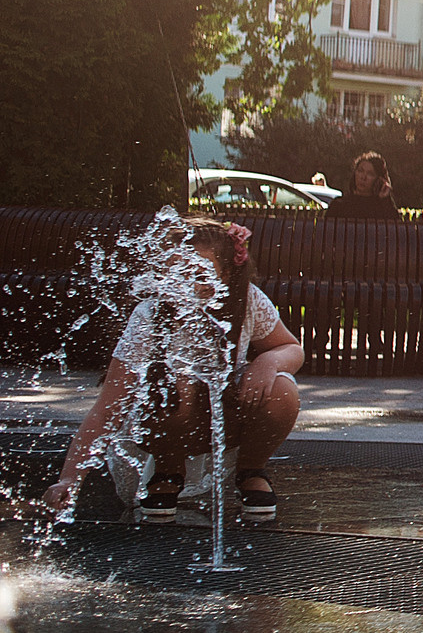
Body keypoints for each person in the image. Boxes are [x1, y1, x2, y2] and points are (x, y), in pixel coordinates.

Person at [42, 215, 304, 525]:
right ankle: (168, 470)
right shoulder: (150, 315)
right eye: (177, 273)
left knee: (282, 390)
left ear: (224, 273)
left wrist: (268, 362)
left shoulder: (245, 300)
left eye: (200, 273)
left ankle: (250, 470)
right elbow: (108, 407)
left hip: (224, 418)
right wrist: (70, 478)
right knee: (171, 383)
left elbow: (292, 348)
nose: (188, 284)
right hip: (167, 423)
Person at [327, 151, 397, 219]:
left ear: (379, 179)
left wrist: (386, 199)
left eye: (370, 174)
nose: (363, 177)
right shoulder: (339, 205)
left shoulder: (382, 208)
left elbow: (395, 224)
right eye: (360, 171)